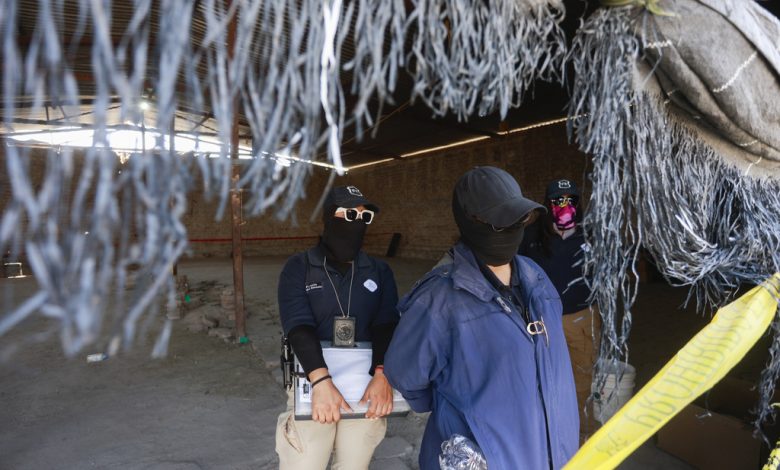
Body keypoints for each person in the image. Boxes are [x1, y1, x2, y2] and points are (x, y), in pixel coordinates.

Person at [383, 166, 579, 469]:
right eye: (501, 222)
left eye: (519, 219)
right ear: (470, 221)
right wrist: (451, 409)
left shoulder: (537, 278)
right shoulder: (438, 300)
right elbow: (406, 373)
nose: (513, 228)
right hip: (483, 458)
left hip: (552, 451)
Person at [275, 185, 400, 470]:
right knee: (305, 462)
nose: (358, 222)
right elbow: (298, 326)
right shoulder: (299, 267)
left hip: (364, 385)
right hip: (312, 380)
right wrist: (321, 382)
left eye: (364, 216)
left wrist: (383, 375)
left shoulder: (379, 271)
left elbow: (386, 325)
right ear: (330, 217)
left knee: (354, 465)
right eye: (349, 214)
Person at [519, 178, 601, 440]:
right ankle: (547, 434)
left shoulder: (592, 235)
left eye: (570, 200)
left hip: (581, 318)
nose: (564, 206)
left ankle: (583, 434)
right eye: (558, 200)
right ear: (548, 204)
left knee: (582, 380)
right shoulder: (530, 236)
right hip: (542, 321)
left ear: (578, 203)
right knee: (542, 377)